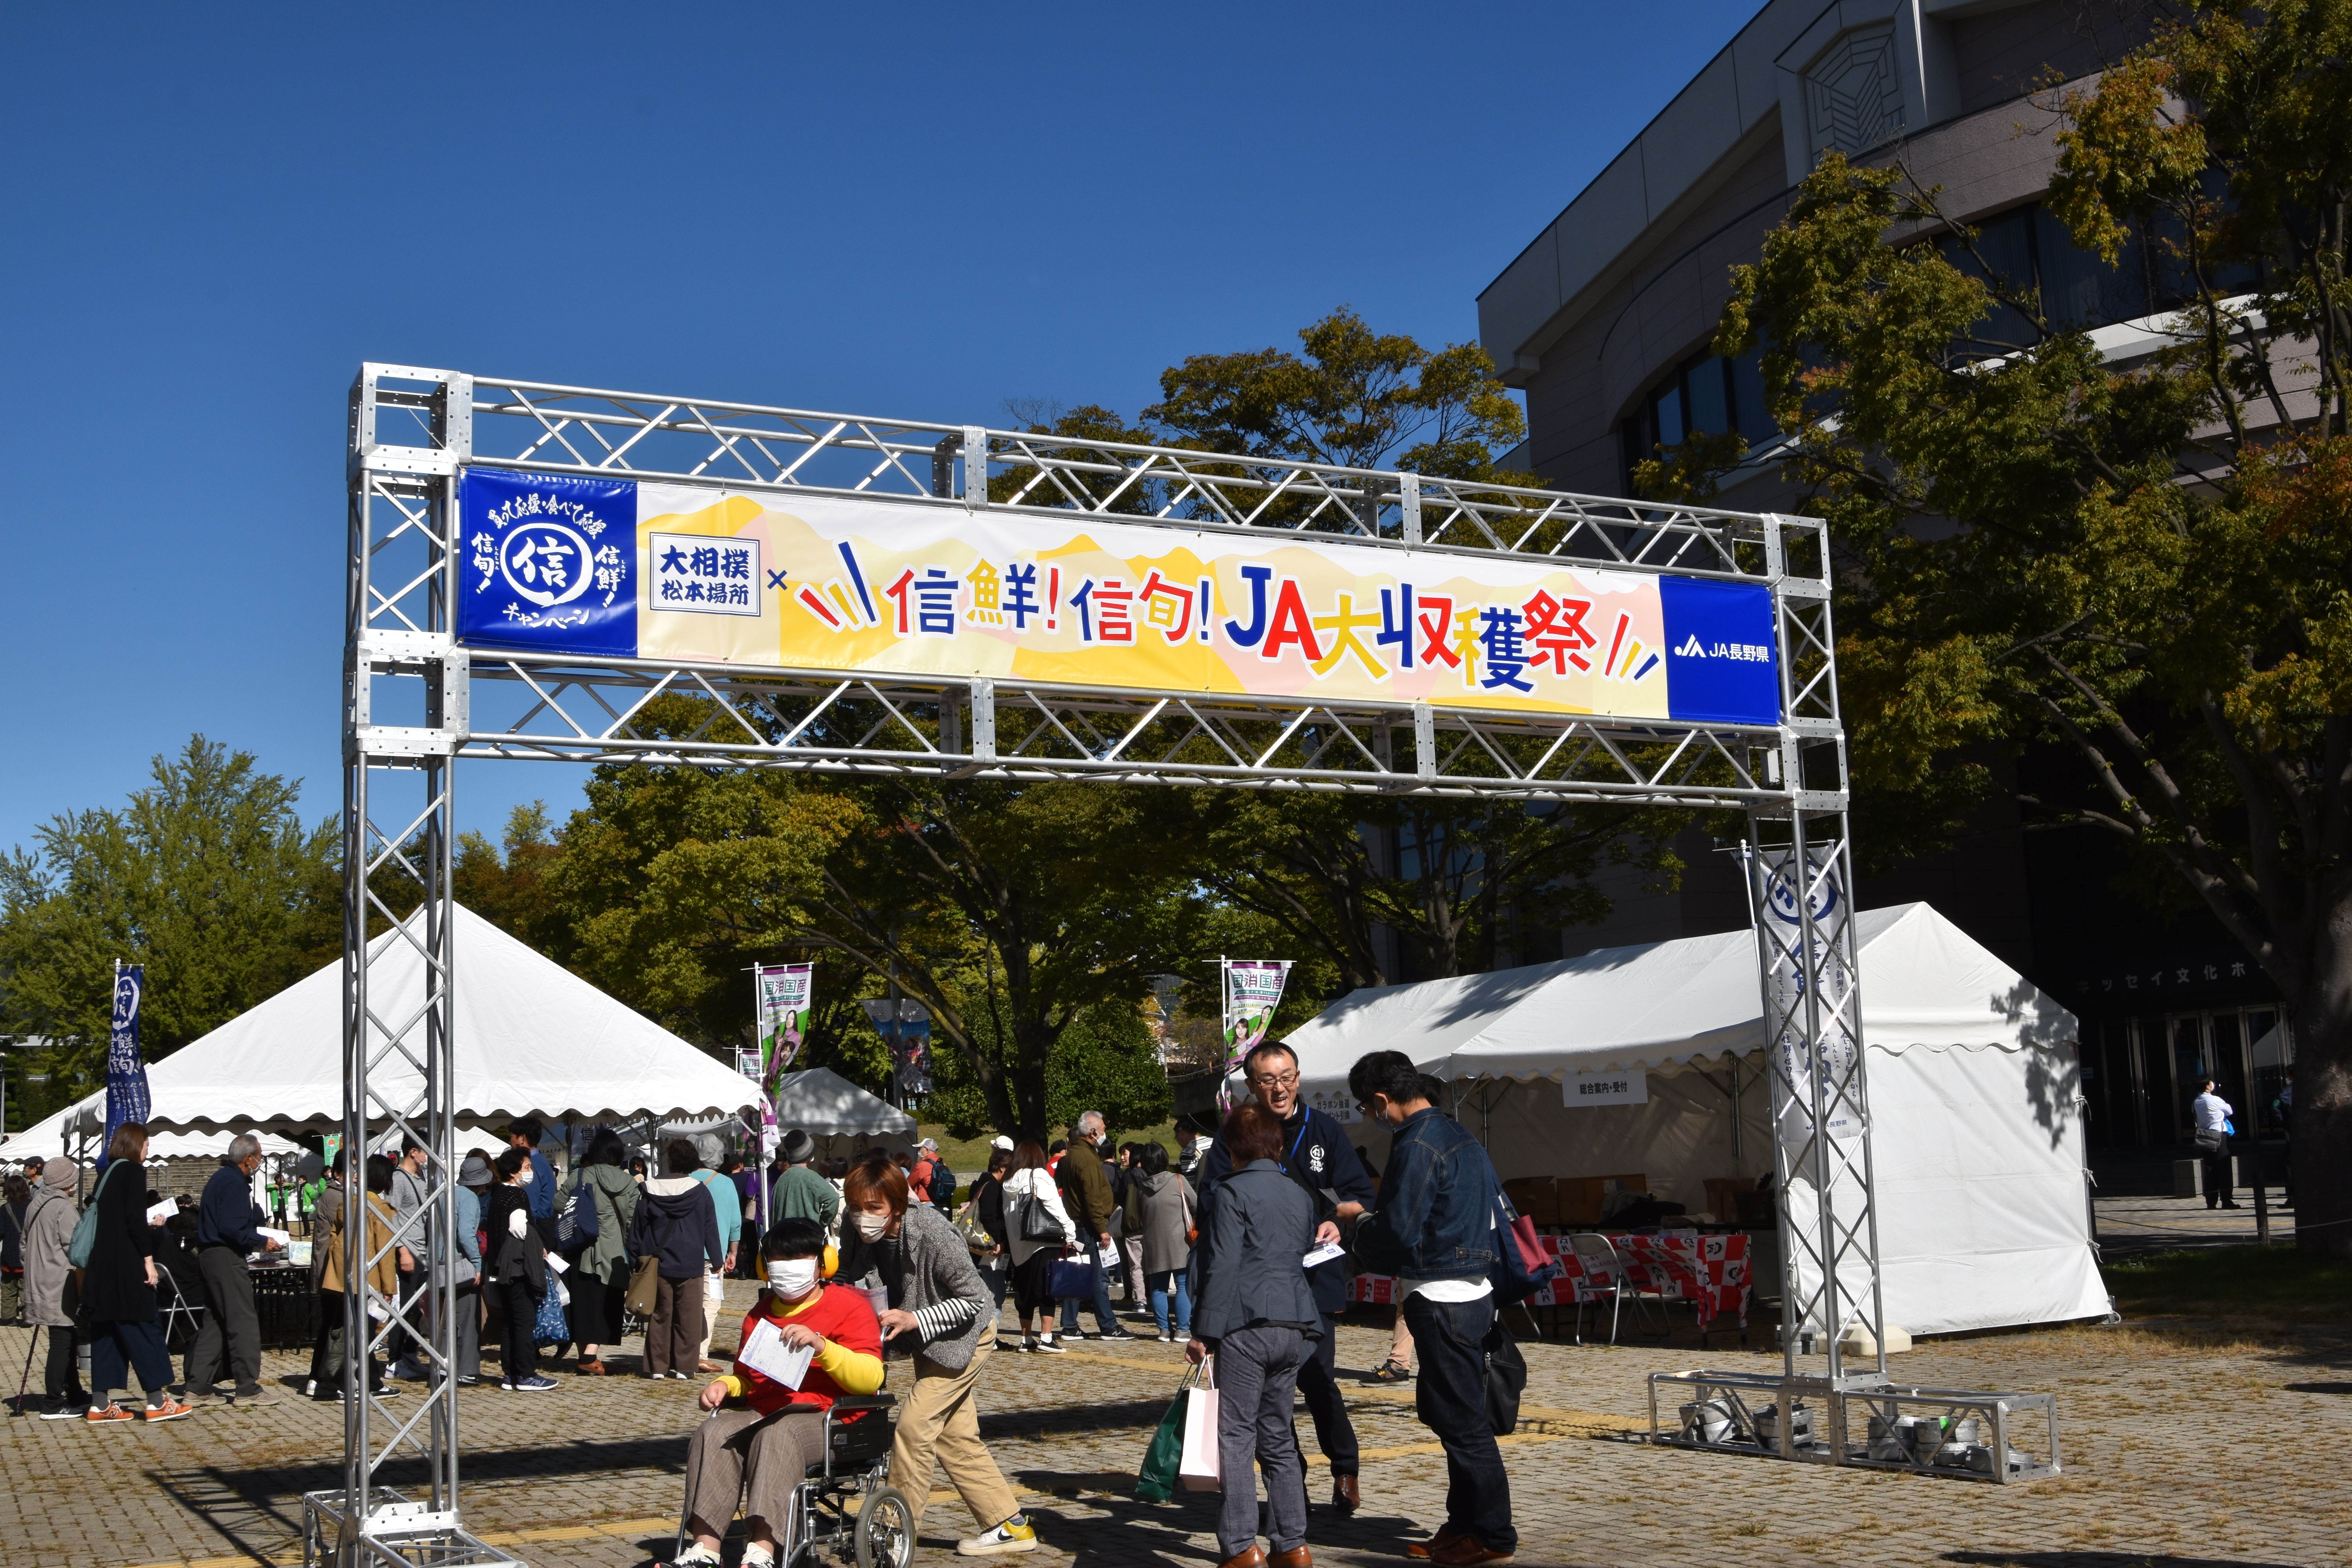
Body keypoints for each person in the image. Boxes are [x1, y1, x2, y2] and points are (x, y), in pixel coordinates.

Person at [1348, 1051, 1513, 1566]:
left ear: (1381, 1099)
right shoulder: (1461, 1135)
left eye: (1366, 1107)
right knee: (1451, 1414)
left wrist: (1358, 1225)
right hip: (1472, 1290)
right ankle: (1464, 1523)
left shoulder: (1416, 1142)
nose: (1370, 1118)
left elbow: (1399, 1229)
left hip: (1442, 1296)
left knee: (1463, 1424)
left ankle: (1491, 1534)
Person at [1199, 1040, 1376, 1515]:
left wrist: (1337, 1220)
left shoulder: (1324, 1130)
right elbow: (1212, 1198)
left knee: (1318, 1378)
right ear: (1252, 1085)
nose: (1280, 1088)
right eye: (1268, 1080)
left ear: (1299, 1077)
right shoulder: (1235, 1132)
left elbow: (1362, 1195)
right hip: (1257, 1282)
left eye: (1288, 1077)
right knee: (1267, 1396)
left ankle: (1345, 1467)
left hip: (1314, 1277)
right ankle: (1290, 1483)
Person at [837, 1151, 1037, 1556]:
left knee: (914, 1424)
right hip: (925, 1340)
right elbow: (847, 1273)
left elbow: (976, 1300)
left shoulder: (932, 1230)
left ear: (896, 1203)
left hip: (967, 1334)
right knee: (954, 1436)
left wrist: (914, 1320)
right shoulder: (855, 1227)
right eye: (856, 1208)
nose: (863, 1217)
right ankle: (1009, 1525)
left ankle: (896, 1533)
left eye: (873, 1207)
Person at [661, 1218, 885, 1568]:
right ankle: (705, 1551)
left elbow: (871, 1377)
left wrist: (823, 1347)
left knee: (777, 1435)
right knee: (714, 1431)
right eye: (778, 1261)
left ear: (822, 1263)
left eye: (797, 1260)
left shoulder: (849, 1306)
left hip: (831, 1418)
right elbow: (749, 1380)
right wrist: (725, 1386)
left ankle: (763, 1552)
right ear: (765, 1267)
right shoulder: (759, 1315)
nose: (787, 1269)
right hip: (768, 1410)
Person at [1187, 1104, 1319, 1568]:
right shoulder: (1299, 1195)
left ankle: (1242, 1545)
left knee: (1237, 1436)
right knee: (1278, 1437)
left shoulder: (1229, 1192)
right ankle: (1293, 1544)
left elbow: (1221, 1266)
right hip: (1294, 1322)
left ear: (1231, 1147)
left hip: (1245, 1323)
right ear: (1277, 1144)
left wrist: (1204, 1330)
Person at [81, 1123, 195, 1423]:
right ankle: (157, 1402)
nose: (148, 1150)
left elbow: (115, 1222)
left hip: (101, 1268)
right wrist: (148, 1261)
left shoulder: (105, 1175)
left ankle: (100, 1404)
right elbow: (132, 1221)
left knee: (107, 1334)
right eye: (146, 1144)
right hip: (127, 1268)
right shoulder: (133, 1172)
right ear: (135, 1144)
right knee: (144, 1328)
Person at [183, 1131, 285, 1407]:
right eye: (259, 1158)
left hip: (209, 1255)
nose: (260, 1162)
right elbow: (233, 1228)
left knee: (215, 1322)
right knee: (242, 1321)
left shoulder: (219, 1178)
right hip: (225, 1256)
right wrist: (262, 1241)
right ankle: (247, 1388)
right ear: (248, 1158)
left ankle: (198, 1386)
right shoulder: (233, 1182)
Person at [632, 1139, 725, 1379]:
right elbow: (710, 1228)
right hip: (691, 1262)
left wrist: (636, 1257)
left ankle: (657, 1367)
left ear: (670, 1161)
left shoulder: (649, 1189)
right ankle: (685, 1366)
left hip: (658, 1262)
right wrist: (717, 1259)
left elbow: (638, 1229)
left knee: (660, 1315)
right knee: (689, 1316)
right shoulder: (700, 1191)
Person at [316, 1155, 403, 1401]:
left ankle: (371, 1382)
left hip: (344, 1278)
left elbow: (335, 1239)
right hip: (369, 1279)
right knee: (361, 1336)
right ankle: (349, 1384)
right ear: (384, 1180)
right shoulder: (380, 1209)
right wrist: (389, 1288)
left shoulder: (348, 1204)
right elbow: (385, 1253)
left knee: (354, 1333)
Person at [563, 1132, 640, 1375]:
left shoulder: (579, 1175)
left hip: (578, 1248)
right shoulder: (629, 1183)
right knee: (607, 1302)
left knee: (581, 1302)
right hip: (613, 1250)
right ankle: (589, 1355)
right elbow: (632, 1221)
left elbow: (557, 1205)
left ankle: (584, 1354)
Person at [1054, 1112, 1134, 1341]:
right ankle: (1109, 1326)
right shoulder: (1087, 1159)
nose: (1104, 1133)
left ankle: (1069, 1325)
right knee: (1098, 1277)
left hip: (1077, 1224)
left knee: (1076, 1274)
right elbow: (1092, 1197)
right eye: (1103, 1129)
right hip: (1088, 1226)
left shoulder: (1070, 1157)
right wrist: (1102, 1228)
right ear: (1093, 1133)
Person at [486, 1146, 557, 1392]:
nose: (530, 1172)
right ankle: (526, 1374)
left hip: (499, 1266)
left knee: (510, 1322)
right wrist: (537, 1245)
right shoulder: (516, 1195)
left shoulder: (498, 1194)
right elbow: (519, 1227)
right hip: (516, 1266)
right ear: (514, 1172)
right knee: (524, 1321)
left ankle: (510, 1374)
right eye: (527, 1168)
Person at [23, 1158, 88, 1417]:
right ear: (67, 1182)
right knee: (62, 1343)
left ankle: (74, 1392)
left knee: (67, 1339)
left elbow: (23, 1246)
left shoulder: (35, 1204)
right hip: (58, 1283)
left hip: (39, 1281)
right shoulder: (63, 1207)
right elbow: (76, 1249)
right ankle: (53, 1402)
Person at [1002, 1140, 1075, 1353]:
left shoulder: (1008, 1182)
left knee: (1024, 1292)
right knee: (1047, 1290)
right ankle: (1046, 1337)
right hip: (1044, 1241)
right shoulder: (1039, 1176)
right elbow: (1055, 1206)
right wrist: (1070, 1231)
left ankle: (1026, 1339)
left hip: (1019, 1247)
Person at [1125, 1142, 1196, 1343]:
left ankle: (1164, 1330)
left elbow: (1139, 1214)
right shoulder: (1178, 1181)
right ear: (1164, 1159)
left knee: (1158, 1289)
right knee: (1182, 1286)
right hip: (1180, 1241)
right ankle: (1183, 1330)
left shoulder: (1142, 1188)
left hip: (1153, 1243)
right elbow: (1196, 1204)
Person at [688, 1150, 743, 1372]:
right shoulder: (727, 1183)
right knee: (711, 1303)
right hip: (714, 1254)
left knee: (685, 1302)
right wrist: (733, 1252)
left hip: (684, 1252)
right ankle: (700, 1354)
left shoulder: (686, 1179)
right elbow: (735, 1221)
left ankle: (682, 1351)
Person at [386, 1134, 431, 1381]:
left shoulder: (422, 1177)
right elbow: (389, 1216)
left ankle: (410, 1351)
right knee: (404, 1306)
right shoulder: (398, 1179)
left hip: (425, 1251)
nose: (429, 1157)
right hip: (409, 1250)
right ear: (413, 1152)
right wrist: (402, 1249)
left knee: (419, 1308)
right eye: (426, 1151)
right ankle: (394, 1360)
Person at [453, 1151, 489, 1386]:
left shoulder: (448, 1194)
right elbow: (466, 1234)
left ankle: (445, 1365)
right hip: (460, 1264)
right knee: (467, 1318)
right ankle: (465, 1369)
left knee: (446, 1320)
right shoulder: (469, 1198)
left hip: (440, 1263)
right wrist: (477, 1264)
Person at [965, 1147, 1014, 1316]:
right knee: (995, 1293)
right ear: (1002, 1168)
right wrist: (1000, 1241)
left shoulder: (981, 1182)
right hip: (989, 1246)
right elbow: (989, 1217)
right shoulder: (993, 1187)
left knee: (990, 1289)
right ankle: (991, 1337)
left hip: (978, 1245)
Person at [771, 1129, 841, 1239]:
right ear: (809, 1156)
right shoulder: (812, 1177)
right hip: (808, 1240)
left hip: (783, 1242)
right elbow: (833, 1198)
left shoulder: (781, 1179)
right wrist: (820, 1224)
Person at [2192, 1076, 2240, 1209]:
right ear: (2208, 1086)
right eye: (2210, 1083)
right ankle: (2226, 1201)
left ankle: (2211, 1202)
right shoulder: (2215, 1099)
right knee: (2224, 1170)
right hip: (2219, 1137)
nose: (2212, 1084)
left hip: (2204, 1138)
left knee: (2210, 1170)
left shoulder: (2196, 1101)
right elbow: (2230, 1111)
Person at [506, 1117, 557, 1227]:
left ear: (522, 1139)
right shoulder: (541, 1161)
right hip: (545, 1222)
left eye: (512, 1137)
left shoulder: (530, 1165)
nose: (510, 1142)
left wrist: (529, 1233)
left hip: (537, 1226)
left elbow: (530, 1206)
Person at [0, 1171, 28, 1325]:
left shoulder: (5, 1209)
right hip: (28, 1255)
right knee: (26, 1288)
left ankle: (8, 1317)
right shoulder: (32, 1206)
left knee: (8, 1289)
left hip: (10, 1256)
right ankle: (28, 1316)